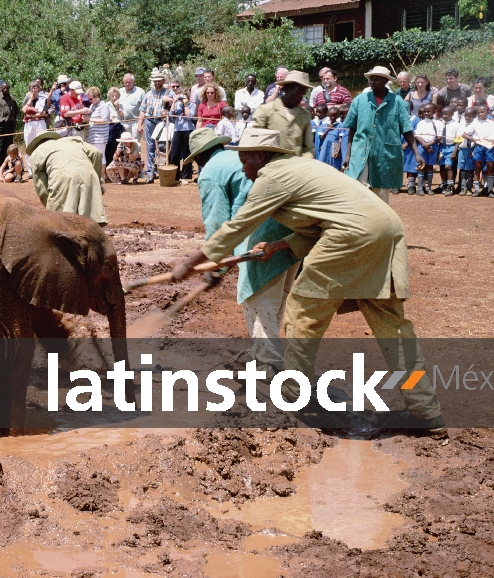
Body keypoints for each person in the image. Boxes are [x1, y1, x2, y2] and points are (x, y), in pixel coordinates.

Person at [169, 127, 443, 438]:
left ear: (260, 157)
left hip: (352, 236)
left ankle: (290, 398)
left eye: (245, 161)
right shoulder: (302, 167)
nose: (243, 168)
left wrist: (189, 264)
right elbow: (320, 221)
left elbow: (236, 227)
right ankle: (425, 410)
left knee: (301, 312)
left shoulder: (271, 177)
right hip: (385, 228)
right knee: (392, 327)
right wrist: (277, 246)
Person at [183, 127, 298, 371]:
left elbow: (218, 223)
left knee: (258, 300)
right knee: (276, 299)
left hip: (263, 235)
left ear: (200, 157)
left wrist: (212, 266)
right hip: (293, 235)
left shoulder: (210, 173)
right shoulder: (234, 162)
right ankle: (264, 355)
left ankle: (269, 364)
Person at [343, 66, 416, 202]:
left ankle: (380, 221)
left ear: (385, 81)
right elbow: (352, 128)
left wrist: (417, 154)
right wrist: (348, 154)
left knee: (381, 191)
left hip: (385, 154)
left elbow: (407, 131)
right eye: (371, 79)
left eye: (376, 79)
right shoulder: (359, 100)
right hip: (361, 150)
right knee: (358, 185)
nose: (372, 82)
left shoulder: (399, 103)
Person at [25, 131, 106, 225]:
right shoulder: (72, 141)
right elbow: (96, 153)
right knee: (89, 219)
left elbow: (41, 187)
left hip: (62, 176)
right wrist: (96, 182)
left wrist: (50, 206)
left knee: (58, 223)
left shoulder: (37, 152)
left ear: (38, 144)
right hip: (88, 174)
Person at [251, 70, 315, 158]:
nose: (301, 96)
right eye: (298, 92)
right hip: (271, 166)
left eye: (303, 92)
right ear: (286, 88)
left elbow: (309, 149)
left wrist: (302, 163)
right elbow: (254, 142)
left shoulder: (305, 115)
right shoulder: (265, 111)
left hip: (296, 166)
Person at [138, 71, 172, 181]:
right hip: (149, 120)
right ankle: (150, 171)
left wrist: (170, 100)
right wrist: (140, 124)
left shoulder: (169, 92)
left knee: (164, 145)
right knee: (150, 146)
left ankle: (162, 168)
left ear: (163, 81)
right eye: (155, 81)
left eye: (159, 81)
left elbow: (177, 103)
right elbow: (143, 110)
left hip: (162, 121)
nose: (157, 83)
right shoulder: (148, 94)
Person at [22, 78, 50, 167]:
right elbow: (24, 110)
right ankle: (31, 169)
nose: (33, 90)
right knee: (29, 145)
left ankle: (42, 166)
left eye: (35, 88)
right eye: (31, 88)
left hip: (40, 123)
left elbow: (43, 113)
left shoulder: (43, 98)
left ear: (38, 88)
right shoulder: (27, 99)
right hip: (29, 124)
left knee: (42, 143)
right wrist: (31, 99)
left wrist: (31, 116)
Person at [85, 87, 113, 153]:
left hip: (100, 137)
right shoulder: (92, 106)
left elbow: (104, 120)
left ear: (97, 96)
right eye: (88, 99)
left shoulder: (104, 106)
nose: (89, 101)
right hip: (91, 137)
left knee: (100, 157)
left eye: (91, 99)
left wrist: (89, 119)